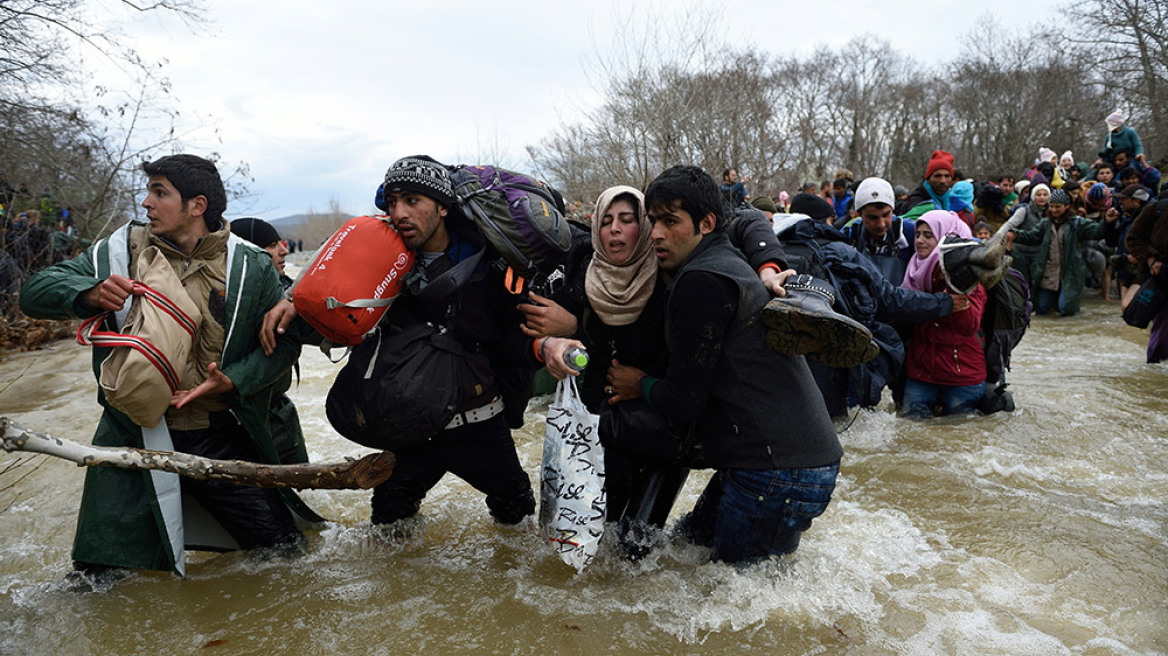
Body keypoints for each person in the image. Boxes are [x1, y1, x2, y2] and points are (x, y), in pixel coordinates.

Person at [19, 154, 310, 584]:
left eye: (159, 193)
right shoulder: (118, 252)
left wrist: (233, 382)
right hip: (130, 438)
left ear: (196, 206)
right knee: (95, 581)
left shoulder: (251, 265)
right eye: (149, 191)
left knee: (285, 557)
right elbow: (33, 292)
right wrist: (89, 293)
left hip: (218, 437)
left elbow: (285, 343)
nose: (146, 203)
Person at [598, 165, 842, 564]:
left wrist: (636, 383)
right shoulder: (722, 254)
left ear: (706, 223)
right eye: (653, 221)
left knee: (735, 590)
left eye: (670, 221)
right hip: (787, 461)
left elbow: (683, 402)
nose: (656, 233)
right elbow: (748, 218)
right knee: (688, 551)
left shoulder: (702, 280)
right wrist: (767, 263)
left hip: (776, 470)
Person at [360, 156, 536, 534]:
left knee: (517, 516)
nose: (399, 213)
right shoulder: (382, 264)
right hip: (411, 422)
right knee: (388, 524)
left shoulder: (487, 263)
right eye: (392, 202)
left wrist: (549, 342)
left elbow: (516, 334)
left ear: (442, 207)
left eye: (412, 200)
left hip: (478, 419)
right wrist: (291, 301)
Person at [229, 217, 309, 466]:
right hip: (236, 422)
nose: (284, 250)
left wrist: (297, 303)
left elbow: (327, 335)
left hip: (280, 419)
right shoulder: (228, 298)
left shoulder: (287, 291)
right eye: (272, 245)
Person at [900, 211, 987, 417]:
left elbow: (969, 326)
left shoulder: (969, 277)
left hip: (962, 373)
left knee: (959, 431)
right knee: (911, 427)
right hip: (921, 370)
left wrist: (954, 287)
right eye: (917, 234)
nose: (919, 241)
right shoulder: (912, 271)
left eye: (928, 235)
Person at [1010, 189, 1118, 316]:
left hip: (1071, 273)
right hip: (1048, 273)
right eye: (1051, 206)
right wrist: (1016, 234)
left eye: (1058, 207)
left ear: (1067, 206)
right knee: (1042, 309)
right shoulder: (1045, 223)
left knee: (1066, 310)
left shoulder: (1077, 223)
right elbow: (1033, 237)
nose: (1054, 210)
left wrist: (1107, 221)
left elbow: (1096, 232)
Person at [838, 177, 915, 285]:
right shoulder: (850, 235)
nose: (881, 224)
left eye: (886, 215)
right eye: (872, 218)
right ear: (858, 215)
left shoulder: (906, 231)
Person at [1123, 196, 1168, 362]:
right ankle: (1155, 367)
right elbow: (1133, 238)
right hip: (1161, 277)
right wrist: (1150, 259)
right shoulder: (1157, 209)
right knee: (1162, 330)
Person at [897, 149, 957, 221]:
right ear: (928, 179)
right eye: (938, 176)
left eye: (947, 176)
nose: (943, 181)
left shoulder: (955, 202)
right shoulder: (917, 203)